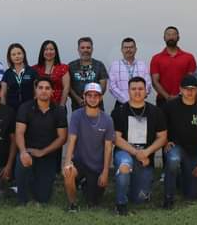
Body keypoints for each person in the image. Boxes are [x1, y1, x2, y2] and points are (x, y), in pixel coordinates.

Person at [111, 76, 167, 216]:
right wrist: (136, 152)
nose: (137, 92)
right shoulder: (119, 111)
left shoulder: (156, 112)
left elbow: (162, 137)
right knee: (125, 163)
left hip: (145, 158)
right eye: (133, 89)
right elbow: (116, 138)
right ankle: (120, 205)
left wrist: (147, 152)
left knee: (139, 199)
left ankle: (129, 185)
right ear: (128, 91)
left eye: (140, 89)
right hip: (125, 153)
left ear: (146, 91)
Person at [15, 77, 68, 205]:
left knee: (43, 198)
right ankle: (22, 197)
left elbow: (62, 138)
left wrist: (42, 152)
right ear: (36, 90)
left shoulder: (59, 111)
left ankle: (34, 186)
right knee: (23, 162)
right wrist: (23, 152)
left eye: (47, 88)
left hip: (48, 155)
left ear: (52, 92)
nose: (44, 91)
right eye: (40, 88)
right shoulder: (25, 107)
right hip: (28, 151)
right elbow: (19, 132)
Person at [161, 75, 197, 209]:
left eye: (193, 89)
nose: (190, 92)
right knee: (173, 160)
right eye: (186, 88)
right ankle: (168, 197)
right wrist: (165, 142)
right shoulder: (170, 106)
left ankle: (181, 178)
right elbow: (160, 128)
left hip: (193, 151)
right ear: (180, 89)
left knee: (192, 195)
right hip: (175, 147)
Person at [63, 83, 114, 211]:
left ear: (100, 98)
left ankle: (84, 184)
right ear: (84, 97)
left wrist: (105, 172)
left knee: (93, 202)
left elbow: (108, 148)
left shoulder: (107, 120)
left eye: (96, 95)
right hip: (80, 163)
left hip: (96, 167)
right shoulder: (76, 115)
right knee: (69, 172)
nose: (92, 98)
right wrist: (67, 162)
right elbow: (71, 140)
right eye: (89, 95)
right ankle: (73, 204)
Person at [150, 26, 197, 109]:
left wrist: (180, 95)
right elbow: (155, 81)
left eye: (174, 34)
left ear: (178, 37)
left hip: (185, 99)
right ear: (164, 38)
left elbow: (191, 80)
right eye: (168, 34)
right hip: (163, 101)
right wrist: (167, 97)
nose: (171, 37)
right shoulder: (156, 58)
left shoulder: (189, 57)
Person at [108, 37, 152, 110]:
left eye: (131, 47)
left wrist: (138, 98)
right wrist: (127, 101)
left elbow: (148, 84)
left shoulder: (142, 65)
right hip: (121, 104)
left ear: (135, 49)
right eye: (126, 47)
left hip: (140, 103)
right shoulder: (114, 65)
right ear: (122, 50)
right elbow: (112, 87)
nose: (128, 49)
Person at [67, 37, 108, 110]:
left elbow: (103, 87)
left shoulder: (99, 65)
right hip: (78, 106)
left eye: (88, 47)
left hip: (96, 106)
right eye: (82, 48)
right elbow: (68, 86)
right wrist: (78, 99)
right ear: (78, 49)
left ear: (92, 49)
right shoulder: (71, 66)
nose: (85, 50)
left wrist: (93, 99)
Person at [31, 40, 70, 108]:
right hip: (39, 106)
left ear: (55, 51)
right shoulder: (35, 69)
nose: (49, 52)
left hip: (58, 105)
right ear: (42, 52)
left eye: (51, 49)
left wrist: (62, 105)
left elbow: (66, 88)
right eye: (46, 49)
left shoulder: (63, 68)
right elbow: (34, 88)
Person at [1, 43, 38, 112]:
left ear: (23, 54)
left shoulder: (32, 71)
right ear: (10, 57)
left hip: (29, 109)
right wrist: (4, 110)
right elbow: (3, 94)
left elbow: (36, 93)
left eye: (19, 53)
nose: (17, 56)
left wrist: (34, 107)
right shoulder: (7, 73)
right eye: (13, 54)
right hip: (11, 110)